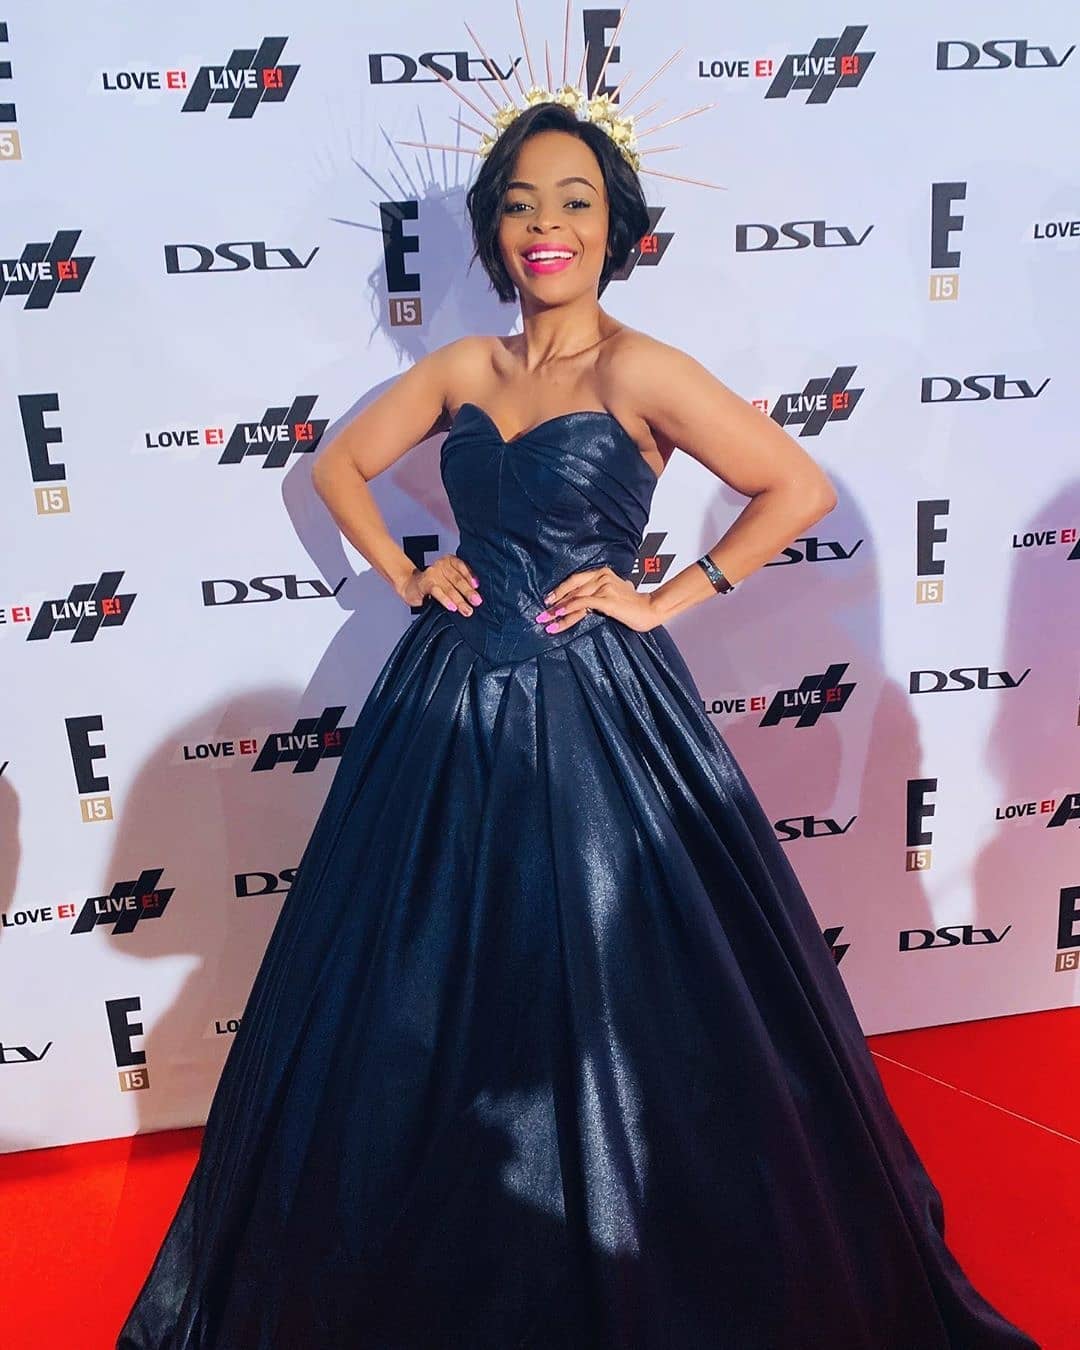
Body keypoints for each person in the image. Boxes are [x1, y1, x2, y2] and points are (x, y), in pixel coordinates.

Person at [118, 99, 1041, 1349]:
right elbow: (335, 465)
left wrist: (668, 595)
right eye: (520, 204)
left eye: (574, 201)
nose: (544, 225)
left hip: (599, 708)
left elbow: (794, 485)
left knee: (620, 983)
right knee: (418, 978)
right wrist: (407, 571)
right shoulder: (464, 371)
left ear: (615, 227)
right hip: (446, 705)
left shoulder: (641, 368)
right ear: (495, 232)